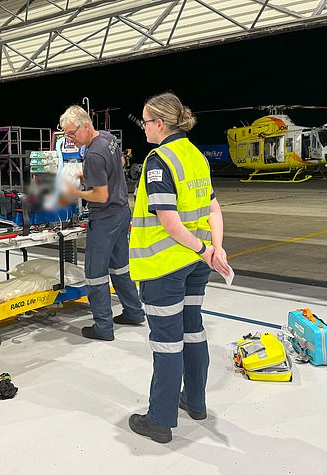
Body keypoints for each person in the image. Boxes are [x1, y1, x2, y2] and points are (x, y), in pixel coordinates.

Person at [128, 92, 231, 443]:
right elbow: (214, 209)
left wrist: (205, 249)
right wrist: (215, 249)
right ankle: (196, 402)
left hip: (166, 266)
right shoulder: (196, 156)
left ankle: (159, 420)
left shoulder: (159, 161)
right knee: (193, 331)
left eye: (145, 120)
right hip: (195, 265)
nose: (142, 127)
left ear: (159, 123)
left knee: (167, 343)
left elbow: (170, 223)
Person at [59, 105, 145, 341]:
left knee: (95, 274)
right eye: (66, 135)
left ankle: (103, 327)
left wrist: (73, 192)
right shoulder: (107, 138)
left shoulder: (93, 155)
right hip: (121, 212)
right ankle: (134, 311)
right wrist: (85, 175)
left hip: (105, 217)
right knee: (120, 268)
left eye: (72, 134)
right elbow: (117, 164)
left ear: (85, 125)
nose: (70, 139)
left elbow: (100, 196)